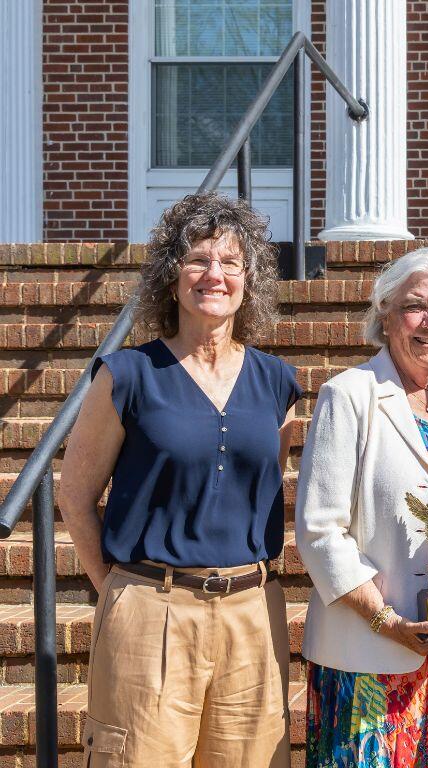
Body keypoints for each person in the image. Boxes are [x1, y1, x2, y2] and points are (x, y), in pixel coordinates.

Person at [58, 192, 299, 767]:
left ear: (249, 280)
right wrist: (118, 589)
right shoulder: (128, 375)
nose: (214, 274)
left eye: (231, 263)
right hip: (151, 609)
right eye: (197, 259)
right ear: (171, 279)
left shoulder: (278, 384)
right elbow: (74, 494)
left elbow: (269, 495)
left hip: (250, 611)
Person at [296, 247, 428, 767]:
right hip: (371, 652)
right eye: (417, 306)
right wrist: (385, 620)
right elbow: (319, 530)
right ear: (385, 314)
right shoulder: (349, 395)